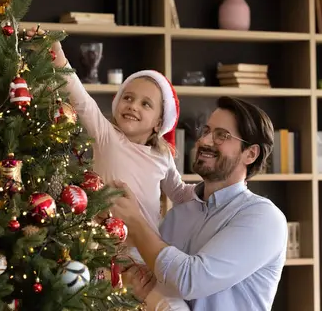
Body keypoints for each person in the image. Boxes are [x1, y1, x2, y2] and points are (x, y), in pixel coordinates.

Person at [25, 27, 195, 310]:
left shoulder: (162, 157)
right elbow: (78, 96)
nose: (133, 106)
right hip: (99, 250)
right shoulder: (106, 136)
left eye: (145, 104)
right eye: (127, 98)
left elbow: (179, 193)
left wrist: (213, 194)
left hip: (143, 253)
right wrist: (55, 49)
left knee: (169, 306)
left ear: (158, 121)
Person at [110, 96, 288, 310]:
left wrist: (136, 222)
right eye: (206, 131)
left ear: (250, 154)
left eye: (221, 136)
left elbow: (190, 280)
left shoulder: (264, 218)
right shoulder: (180, 212)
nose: (204, 141)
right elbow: (149, 272)